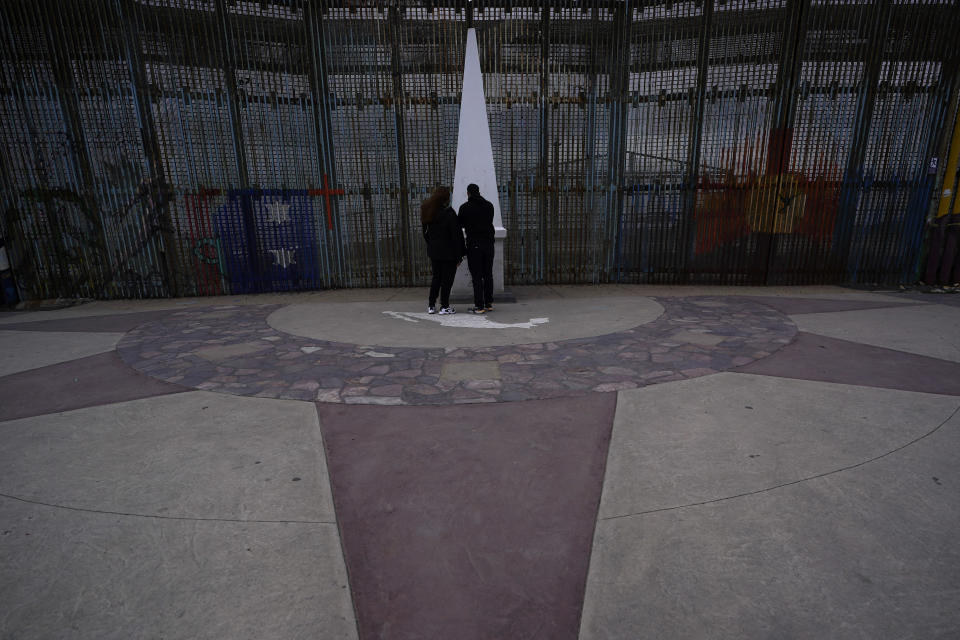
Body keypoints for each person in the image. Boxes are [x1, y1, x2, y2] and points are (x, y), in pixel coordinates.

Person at [421, 185, 465, 315]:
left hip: (435, 251)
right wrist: (459, 255)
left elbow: (425, 233)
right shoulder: (449, 214)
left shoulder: (428, 211)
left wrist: (432, 244)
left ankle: (431, 305)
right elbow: (456, 236)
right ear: (446, 198)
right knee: (447, 280)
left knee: (436, 278)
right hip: (449, 253)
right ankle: (444, 306)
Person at [457, 183, 495, 314]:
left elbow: (460, 225)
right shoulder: (489, 206)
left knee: (477, 276)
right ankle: (489, 303)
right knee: (488, 274)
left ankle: (479, 306)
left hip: (474, 245)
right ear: (479, 191)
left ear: (468, 193)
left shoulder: (464, 208)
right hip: (489, 244)